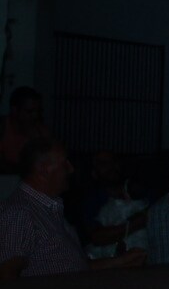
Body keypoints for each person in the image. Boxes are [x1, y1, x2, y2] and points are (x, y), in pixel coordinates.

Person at [0, 139, 145, 278]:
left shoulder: (48, 210)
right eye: (64, 164)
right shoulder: (19, 212)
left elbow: (74, 268)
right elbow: (7, 276)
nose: (71, 169)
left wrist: (121, 262)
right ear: (43, 171)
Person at [0, 88, 48, 173]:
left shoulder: (40, 132)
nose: (35, 116)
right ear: (14, 110)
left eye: (38, 111)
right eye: (29, 111)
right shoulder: (3, 127)